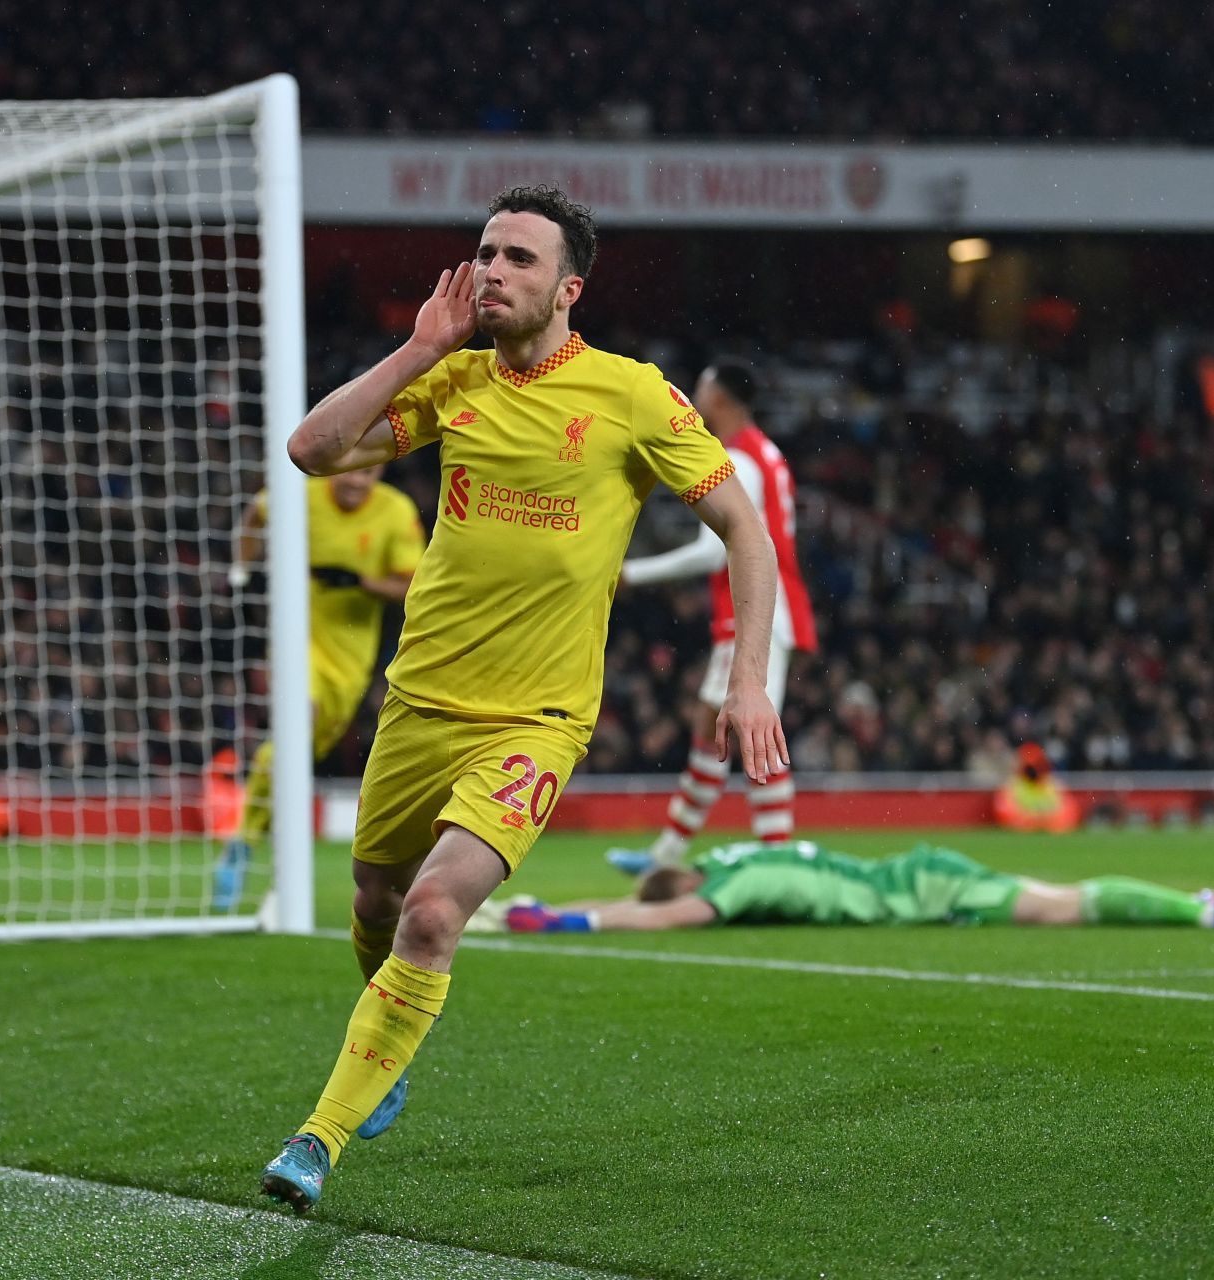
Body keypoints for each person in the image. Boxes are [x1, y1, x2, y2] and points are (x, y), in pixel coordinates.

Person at [257, 184, 787, 1213]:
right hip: (419, 701)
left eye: (519, 260)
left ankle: (316, 1138)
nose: (492, 271)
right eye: (485, 253)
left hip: (535, 719)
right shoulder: (452, 381)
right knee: (372, 899)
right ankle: (385, 1044)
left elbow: (748, 531)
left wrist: (752, 678)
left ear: (569, 287)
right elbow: (313, 451)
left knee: (432, 908)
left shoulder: (633, 396)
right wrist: (416, 349)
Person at [606, 358, 818, 895]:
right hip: (758, 610)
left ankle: (778, 859)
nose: (696, 399)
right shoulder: (765, 452)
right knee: (711, 727)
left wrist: (632, 572)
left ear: (720, 399)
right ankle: (667, 853)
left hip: (757, 612)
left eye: (700, 390)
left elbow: (710, 550)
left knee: (752, 732)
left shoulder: (739, 458)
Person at [211, 464, 425, 910]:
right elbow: (254, 514)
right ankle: (242, 848)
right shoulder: (299, 495)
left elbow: (412, 586)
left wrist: (361, 582)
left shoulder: (395, 511)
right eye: (349, 473)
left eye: (367, 474)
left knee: (302, 750)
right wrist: (240, 570)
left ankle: (251, 841)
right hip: (297, 641)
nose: (355, 483)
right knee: (295, 730)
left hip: (351, 656)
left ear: (380, 471)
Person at [498, 838, 1214, 931]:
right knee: (1051, 886)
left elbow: (667, 916)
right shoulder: (734, 855)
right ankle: (1195, 900)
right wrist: (546, 904)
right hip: (917, 867)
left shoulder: (743, 882)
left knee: (1060, 908)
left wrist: (572, 924)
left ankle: (1205, 915)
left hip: (920, 893)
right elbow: (654, 894)